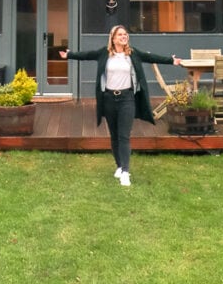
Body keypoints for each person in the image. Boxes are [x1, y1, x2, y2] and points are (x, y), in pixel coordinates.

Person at [59, 25, 182, 186]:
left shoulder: (133, 54)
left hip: (127, 99)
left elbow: (152, 58)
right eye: (120, 35)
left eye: (125, 34)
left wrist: (172, 60)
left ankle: (125, 171)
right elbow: (87, 55)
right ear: (113, 38)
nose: (124, 37)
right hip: (109, 98)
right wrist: (69, 55)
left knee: (124, 135)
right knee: (114, 135)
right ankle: (119, 165)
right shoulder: (104, 53)